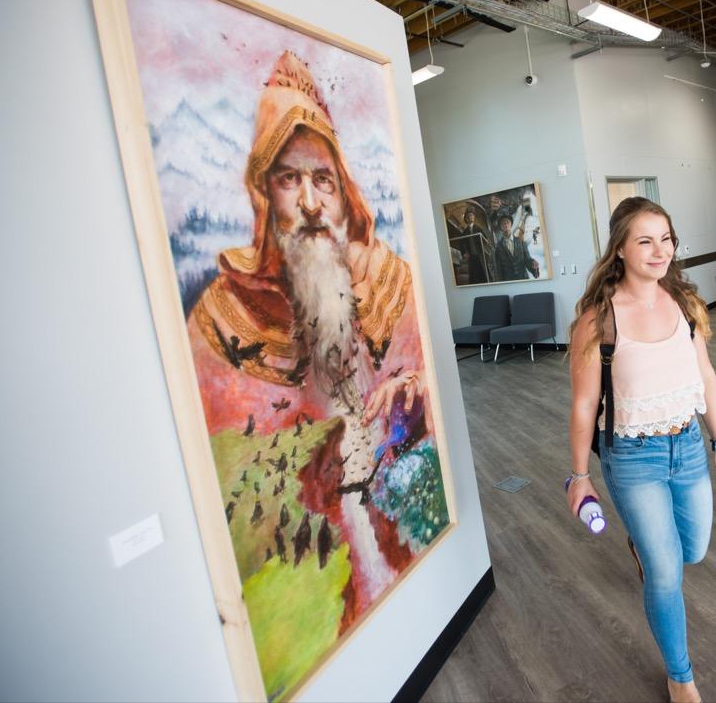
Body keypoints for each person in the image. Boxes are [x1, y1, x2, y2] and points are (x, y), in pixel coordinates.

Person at [185, 50, 438, 622]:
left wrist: (413, 390)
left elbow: (429, 384)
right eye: (288, 179)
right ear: (263, 193)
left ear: (343, 192)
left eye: (323, 179)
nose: (309, 202)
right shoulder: (222, 318)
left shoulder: (389, 280)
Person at [566, 197, 716, 703]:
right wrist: (579, 476)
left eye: (666, 239)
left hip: (688, 444)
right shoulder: (598, 320)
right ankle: (681, 677)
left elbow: (707, 376)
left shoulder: (684, 302)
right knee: (665, 574)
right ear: (620, 248)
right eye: (645, 240)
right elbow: (584, 405)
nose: (660, 251)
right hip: (633, 456)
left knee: (694, 551)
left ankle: (643, 543)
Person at [494, 213, 539, 280]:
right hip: (509, 281)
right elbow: (499, 269)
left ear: (511, 224)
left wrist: (533, 264)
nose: (506, 224)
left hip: (523, 279)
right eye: (503, 223)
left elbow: (527, 259)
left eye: (507, 222)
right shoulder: (498, 247)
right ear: (501, 227)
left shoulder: (521, 242)